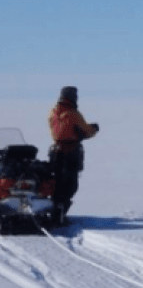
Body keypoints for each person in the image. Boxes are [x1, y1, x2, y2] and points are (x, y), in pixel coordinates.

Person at [48, 86, 99, 217]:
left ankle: (56, 208)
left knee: (57, 180)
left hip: (56, 152)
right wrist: (94, 129)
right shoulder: (73, 114)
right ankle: (60, 211)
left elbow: (56, 130)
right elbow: (86, 131)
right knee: (70, 183)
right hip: (71, 152)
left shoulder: (52, 112)